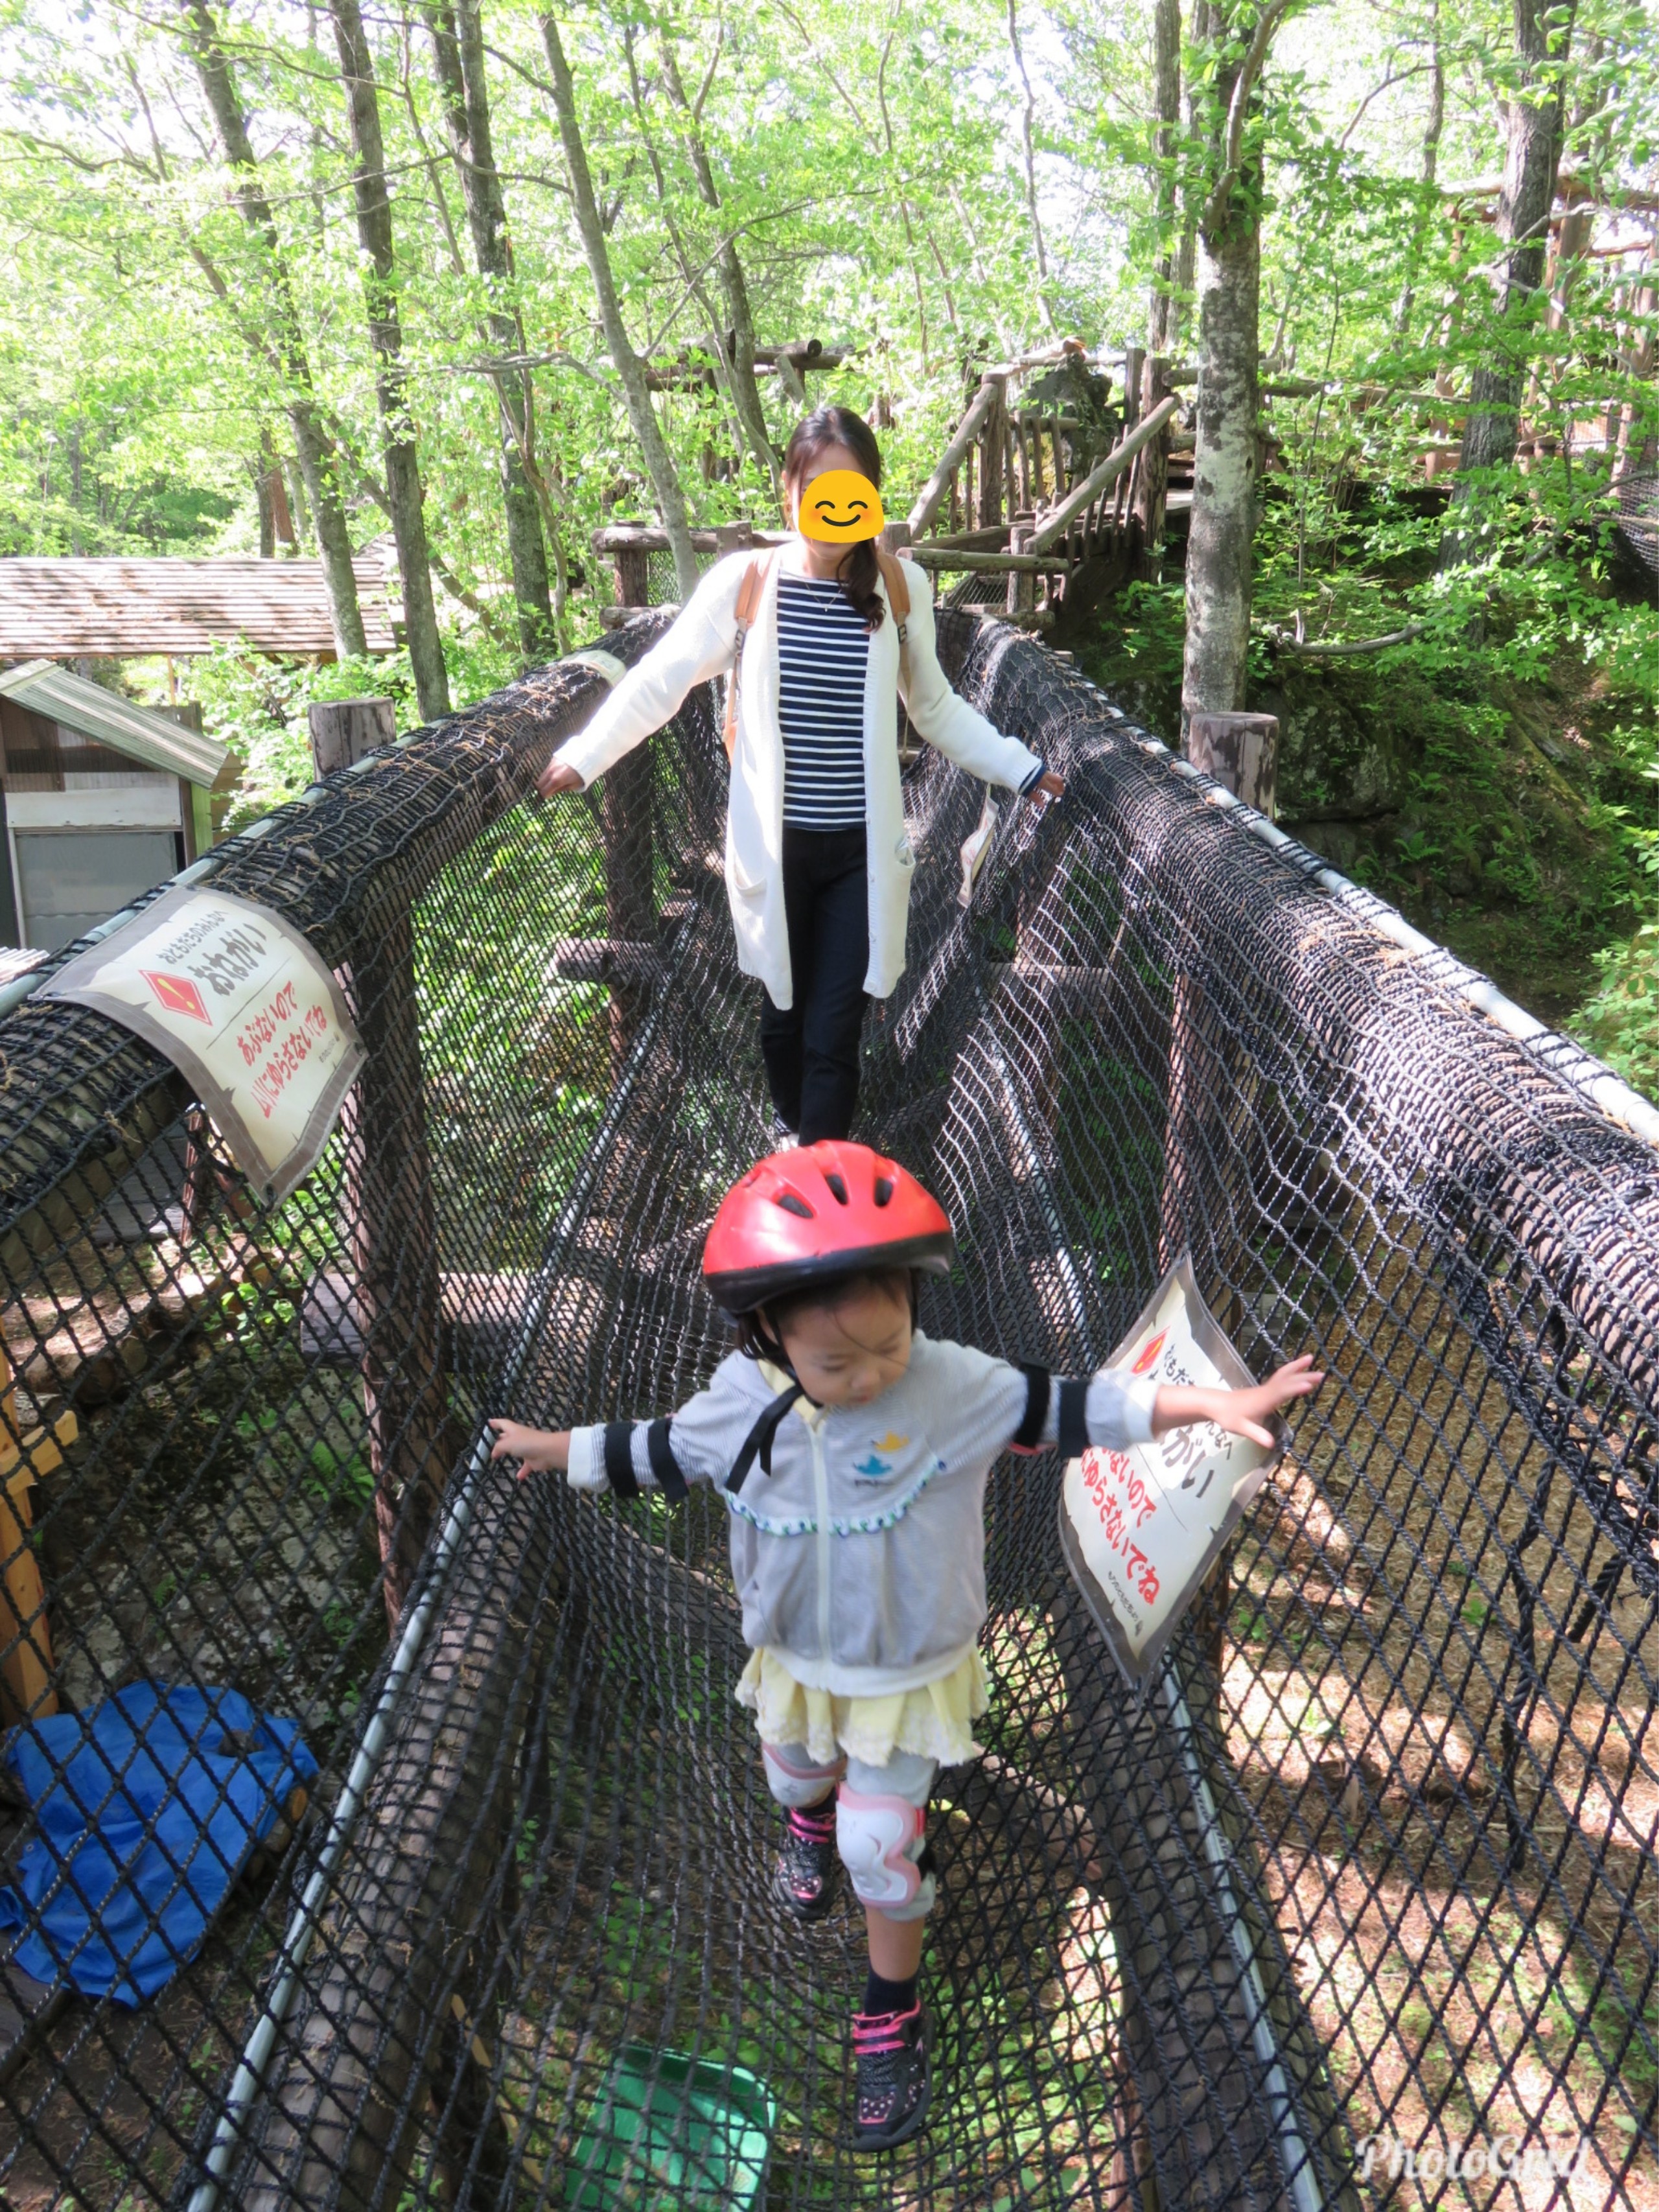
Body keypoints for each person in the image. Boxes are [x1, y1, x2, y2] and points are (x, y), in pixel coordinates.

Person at [488, 1141, 1323, 2154]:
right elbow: (658, 1447)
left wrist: (1214, 1404)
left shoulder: (948, 1388)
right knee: (794, 1777)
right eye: (835, 1364)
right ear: (768, 1334)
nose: (870, 1378)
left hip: (906, 1677)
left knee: (878, 1848)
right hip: (796, 1665)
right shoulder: (740, 1404)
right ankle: (806, 1817)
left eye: (886, 1347)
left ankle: (890, 2006)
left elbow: (1078, 1405)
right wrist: (554, 1448)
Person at [538, 406, 1065, 1144]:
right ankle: (795, 1137)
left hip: (859, 855)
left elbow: (936, 709)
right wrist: (587, 754)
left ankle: (818, 1172)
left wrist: (1021, 768)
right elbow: (664, 677)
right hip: (775, 850)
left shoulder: (899, 587)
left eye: (850, 491)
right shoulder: (748, 583)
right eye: (817, 489)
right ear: (789, 494)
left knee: (833, 1030)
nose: (834, 507)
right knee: (782, 1020)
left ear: (871, 497)